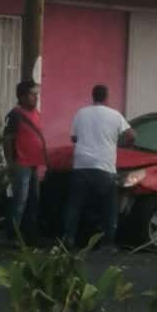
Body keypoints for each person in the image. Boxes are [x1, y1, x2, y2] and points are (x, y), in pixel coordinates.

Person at [64, 85, 134, 251]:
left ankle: (68, 239)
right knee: (109, 206)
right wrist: (121, 143)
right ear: (107, 97)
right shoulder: (115, 115)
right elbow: (132, 135)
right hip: (105, 166)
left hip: (82, 165)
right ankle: (108, 243)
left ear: (92, 96)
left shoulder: (81, 113)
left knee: (75, 205)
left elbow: (74, 137)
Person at [3, 79, 47, 242]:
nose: (35, 98)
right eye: (31, 95)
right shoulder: (15, 115)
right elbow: (7, 139)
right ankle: (12, 237)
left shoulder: (36, 114)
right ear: (21, 96)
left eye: (36, 95)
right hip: (21, 164)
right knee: (19, 202)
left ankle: (30, 235)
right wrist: (10, 163)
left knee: (33, 202)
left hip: (34, 164)